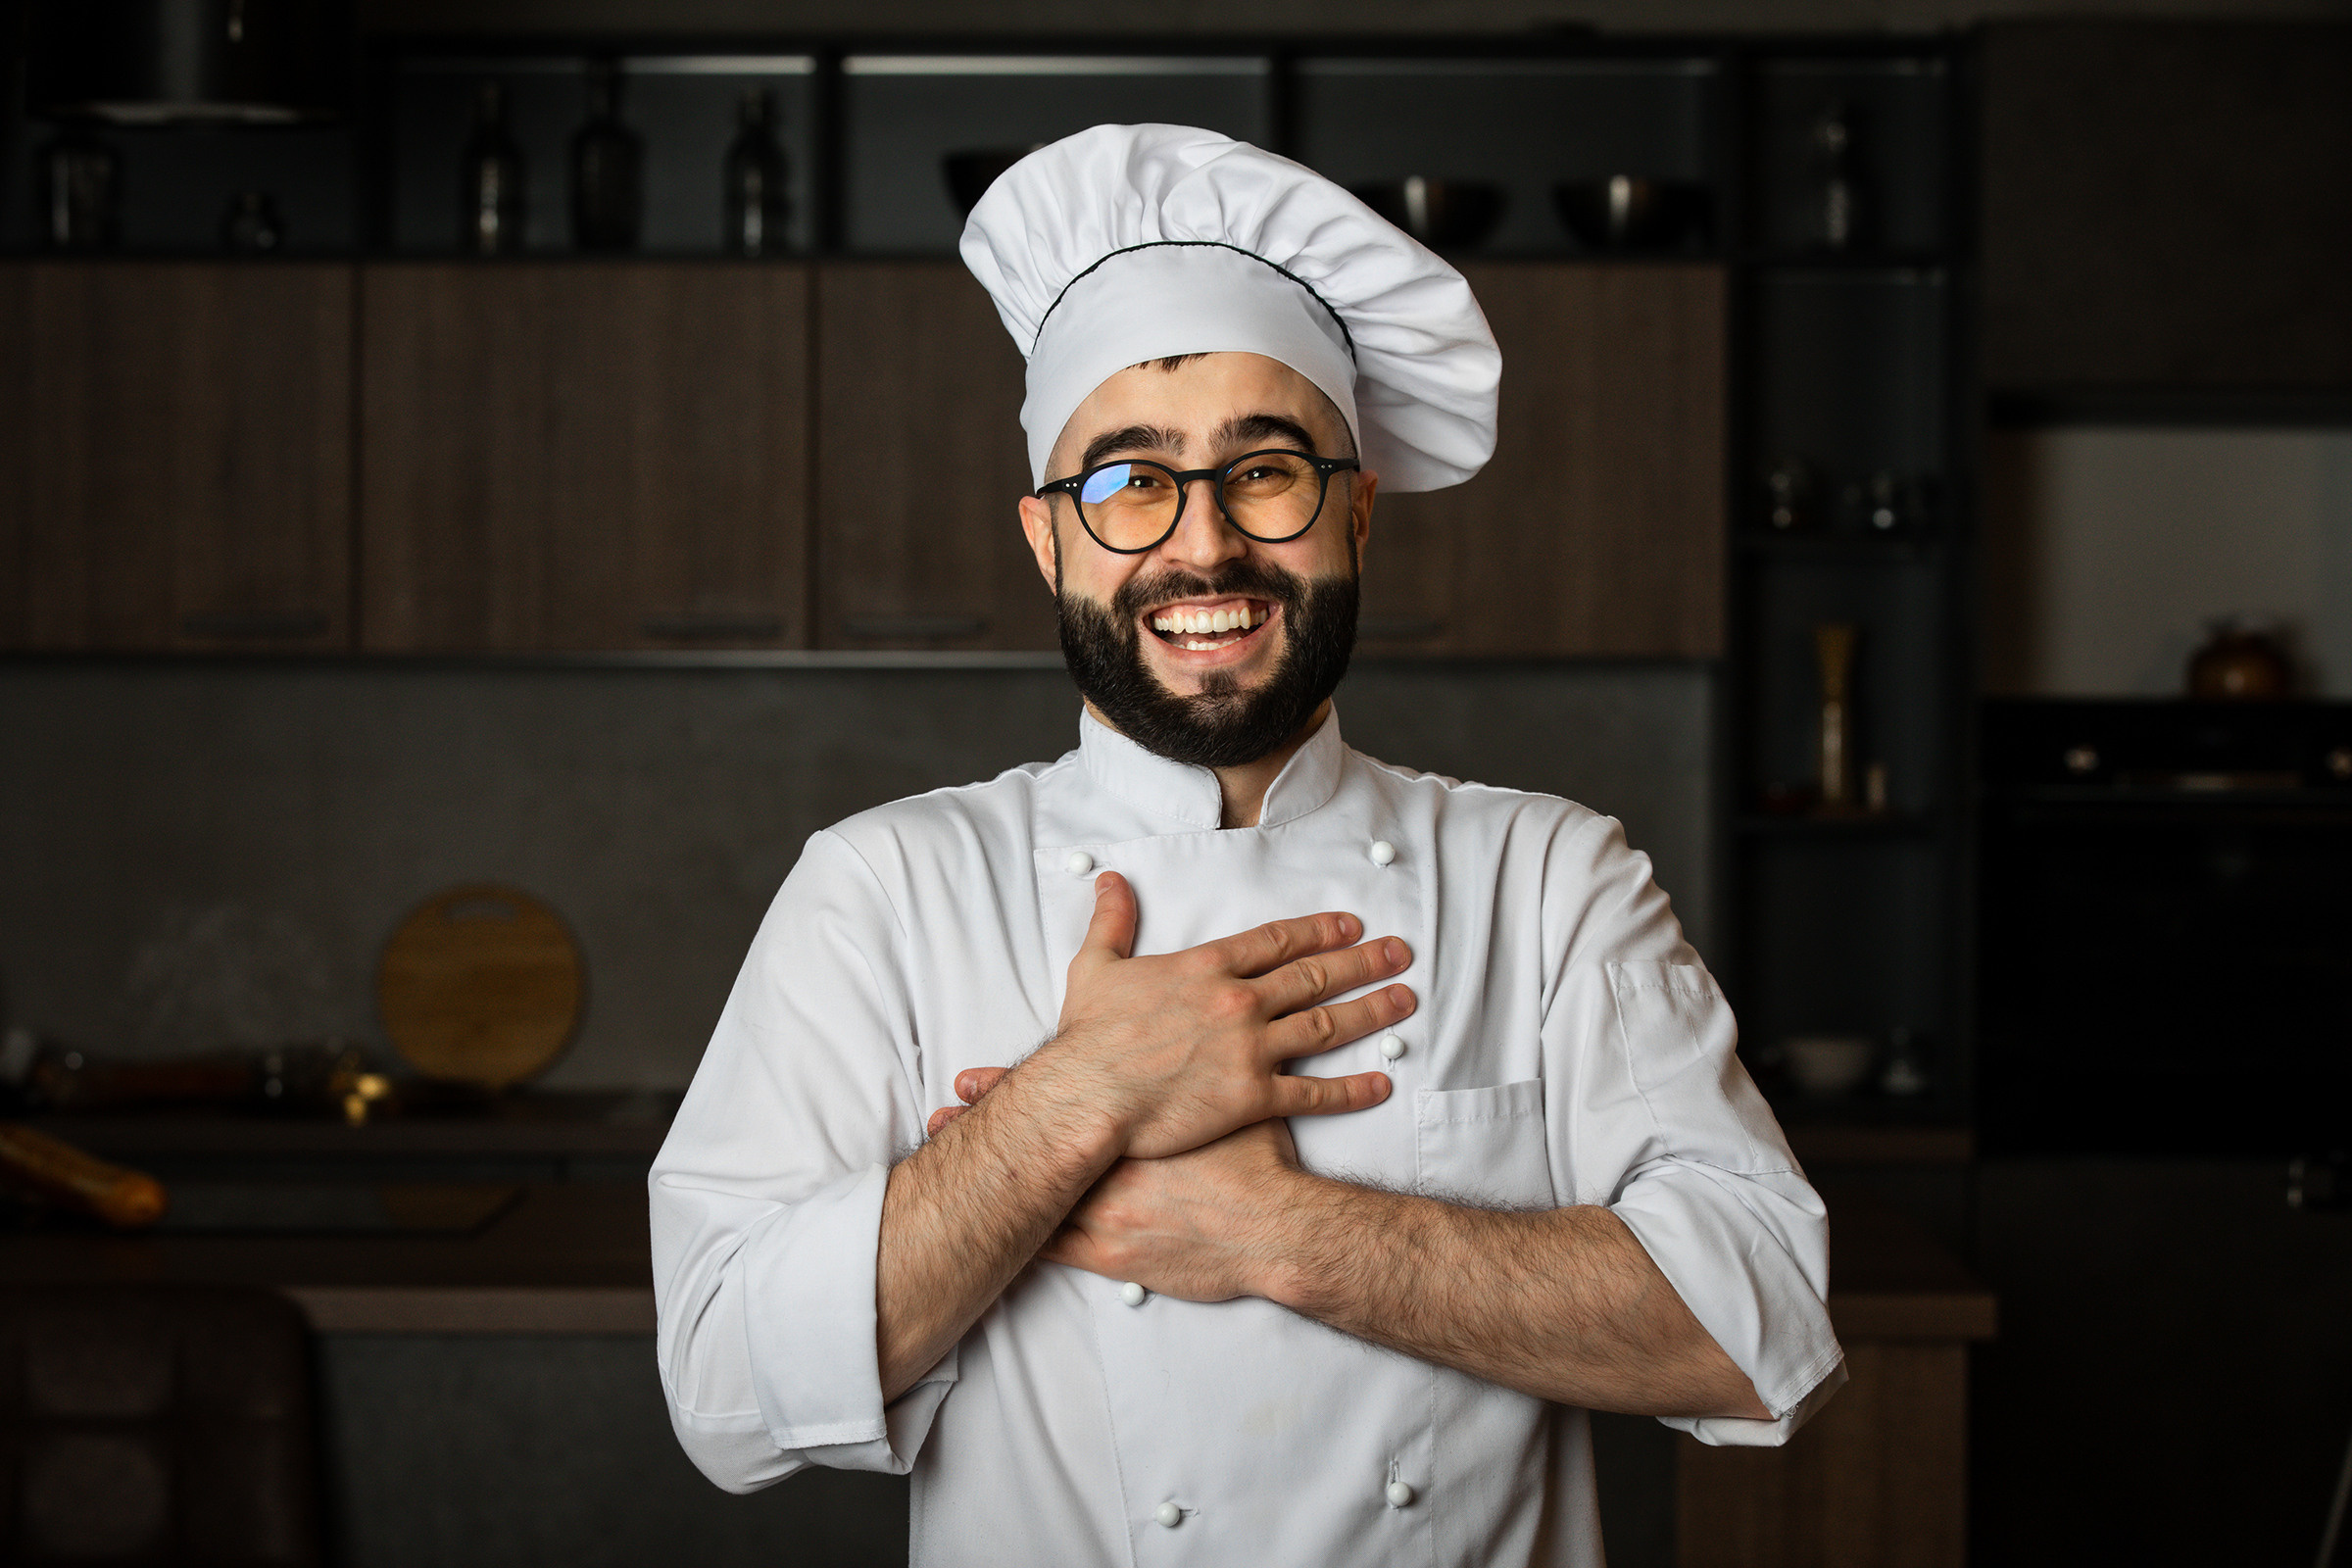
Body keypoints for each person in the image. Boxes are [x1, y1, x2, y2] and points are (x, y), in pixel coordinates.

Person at [651, 122, 1842, 1566]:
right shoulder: (888, 887)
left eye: (1266, 472)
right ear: (1049, 539)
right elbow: (724, 1390)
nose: (1203, 548)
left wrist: (1287, 1235)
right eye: (1129, 481)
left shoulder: (1550, 876)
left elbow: (1768, 1325)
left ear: (1355, 510)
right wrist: (1072, 1099)